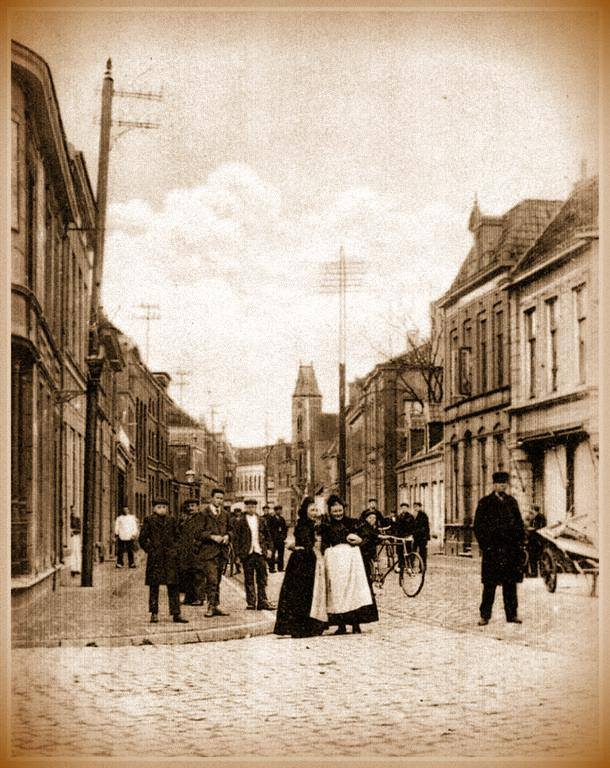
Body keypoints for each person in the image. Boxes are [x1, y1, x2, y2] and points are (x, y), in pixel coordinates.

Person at [473, 471, 526, 625]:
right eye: (500, 483)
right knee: (489, 585)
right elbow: (478, 527)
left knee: (510, 585)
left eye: (505, 483)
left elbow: (519, 524)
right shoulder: (485, 502)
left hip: (510, 551)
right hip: (492, 551)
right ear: (494, 485)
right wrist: (485, 546)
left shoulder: (512, 502)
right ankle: (485, 615)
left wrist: (520, 543)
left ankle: (512, 614)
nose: (502, 486)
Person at [321, 494, 378, 635]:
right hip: (336, 565)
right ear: (330, 511)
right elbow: (324, 543)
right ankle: (341, 625)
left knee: (354, 592)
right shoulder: (326, 526)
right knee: (338, 593)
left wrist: (360, 540)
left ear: (343, 510)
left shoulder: (354, 523)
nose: (338, 514)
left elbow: (370, 535)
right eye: (335, 512)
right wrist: (326, 552)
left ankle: (356, 624)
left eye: (340, 511)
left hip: (353, 564)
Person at [274, 496, 327, 638]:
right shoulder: (303, 524)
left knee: (308, 593)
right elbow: (306, 543)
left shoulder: (312, 524)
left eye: (316, 509)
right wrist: (313, 548)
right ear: (305, 511)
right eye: (311, 510)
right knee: (301, 594)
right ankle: (300, 627)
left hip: (307, 560)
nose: (314, 512)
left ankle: (308, 626)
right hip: (302, 562)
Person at [139, 498, 188, 624]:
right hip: (156, 558)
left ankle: (176, 613)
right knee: (154, 586)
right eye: (159, 507)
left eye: (164, 507)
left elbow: (178, 537)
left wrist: (175, 550)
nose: (162, 509)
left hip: (170, 558)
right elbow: (142, 539)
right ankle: (154, 613)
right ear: (154, 509)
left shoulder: (172, 520)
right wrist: (150, 550)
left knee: (173, 586)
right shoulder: (149, 520)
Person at [233, 499, 276, 611]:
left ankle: (262, 601)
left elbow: (268, 536)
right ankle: (251, 602)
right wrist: (237, 555)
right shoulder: (240, 521)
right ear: (245, 508)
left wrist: (270, 549)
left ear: (256, 507)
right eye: (249, 506)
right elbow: (236, 539)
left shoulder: (261, 520)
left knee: (262, 578)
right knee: (249, 578)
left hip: (260, 552)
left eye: (253, 506)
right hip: (247, 554)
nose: (251, 508)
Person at [199, 488, 232, 617]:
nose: (219, 500)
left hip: (221, 552)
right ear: (212, 498)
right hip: (208, 552)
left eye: (221, 498)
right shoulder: (204, 513)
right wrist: (212, 536)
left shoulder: (225, 514)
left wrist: (228, 536)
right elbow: (198, 533)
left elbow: (231, 529)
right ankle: (211, 606)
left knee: (217, 580)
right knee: (211, 579)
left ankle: (215, 605)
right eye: (217, 498)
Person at [178, 499, 206, 605]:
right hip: (186, 551)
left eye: (193, 506)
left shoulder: (201, 518)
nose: (190, 508)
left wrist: (198, 545)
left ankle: (200, 598)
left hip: (197, 550)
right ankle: (189, 598)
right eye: (189, 506)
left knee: (198, 574)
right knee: (187, 574)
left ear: (198, 506)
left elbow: (202, 533)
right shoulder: (186, 518)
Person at [392, 502, 415, 570]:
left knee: (408, 551)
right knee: (400, 552)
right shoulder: (399, 516)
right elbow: (396, 526)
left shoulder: (410, 517)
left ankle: (409, 566)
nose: (404, 509)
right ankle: (401, 565)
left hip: (407, 536)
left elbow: (412, 527)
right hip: (400, 537)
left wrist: (410, 534)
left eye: (405, 508)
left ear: (407, 508)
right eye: (402, 508)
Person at [525, 504, 547, 577]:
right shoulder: (534, 517)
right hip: (533, 540)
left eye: (532, 510)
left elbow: (540, 527)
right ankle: (534, 573)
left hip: (538, 540)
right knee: (532, 557)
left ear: (535, 510)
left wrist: (531, 528)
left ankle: (538, 573)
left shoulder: (540, 517)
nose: (531, 512)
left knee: (536, 557)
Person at [267, 505, 288, 572]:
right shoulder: (271, 519)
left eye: (280, 510)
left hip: (281, 539)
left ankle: (280, 568)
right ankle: (272, 568)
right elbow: (269, 529)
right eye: (278, 510)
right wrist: (270, 538)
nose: (280, 511)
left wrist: (284, 536)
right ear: (275, 511)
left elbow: (285, 528)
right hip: (273, 539)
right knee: (272, 554)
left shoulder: (282, 519)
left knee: (281, 554)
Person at [412, 502, 431, 568]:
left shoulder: (423, 515)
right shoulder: (414, 515)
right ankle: (411, 566)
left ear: (420, 507)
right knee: (413, 551)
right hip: (416, 537)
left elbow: (425, 527)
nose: (415, 508)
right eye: (414, 507)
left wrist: (416, 532)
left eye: (417, 507)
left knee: (422, 553)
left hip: (422, 537)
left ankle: (423, 567)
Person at [69, 511, 82, 577]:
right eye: (72, 510)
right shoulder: (69, 519)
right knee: (73, 553)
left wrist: (73, 531)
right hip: (71, 538)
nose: (73, 512)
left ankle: (77, 568)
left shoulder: (77, 519)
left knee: (77, 552)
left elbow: (79, 530)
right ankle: (73, 568)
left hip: (75, 537)